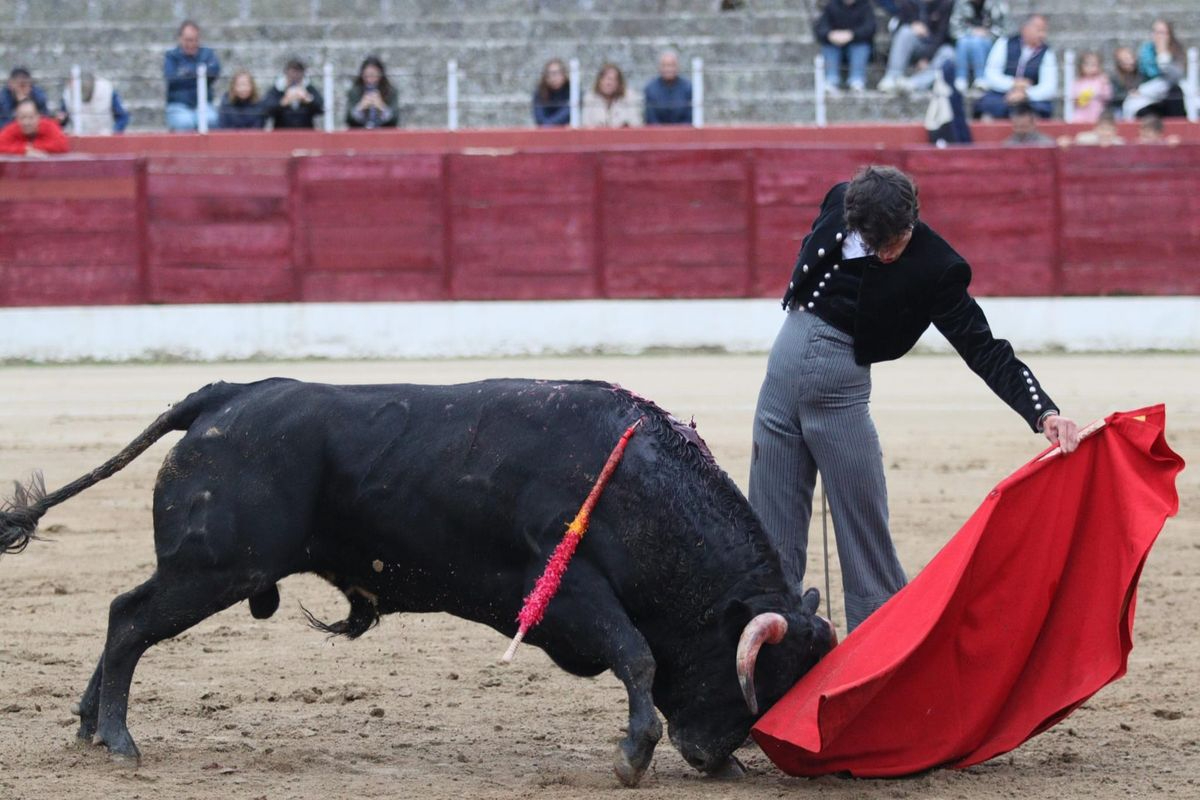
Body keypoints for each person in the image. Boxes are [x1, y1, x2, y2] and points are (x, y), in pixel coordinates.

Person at [750, 165, 1080, 632]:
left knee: (782, 530)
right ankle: (826, 644)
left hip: (814, 368)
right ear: (854, 217)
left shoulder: (935, 265)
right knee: (828, 526)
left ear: (912, 219)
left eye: (895, 241)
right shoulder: (842, 201)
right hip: (798, 371)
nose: (886, 254)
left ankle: (788, 638)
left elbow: (982, 346)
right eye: (875, 242)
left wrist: (1041, 409)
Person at [975, 14, 1058, 119]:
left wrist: (1025, 94)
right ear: (1025, 29)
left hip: (1030, 98)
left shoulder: (1047, 53)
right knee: (987, 105)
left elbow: (1049, 87)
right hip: (1003, 94)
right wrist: (1013, 84)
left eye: (1044, 31)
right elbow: (991, 75)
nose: (1042, 35)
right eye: (1039, 30)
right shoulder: (1005, 43)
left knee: (1039, 109)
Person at [877, 0, 956, 94]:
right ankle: (892, 78)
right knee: (905, 32)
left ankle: (912, 84)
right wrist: (912, 24)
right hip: (915, 47)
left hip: (936, 50)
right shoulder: (909, 3)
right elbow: (897, 27)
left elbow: (942, 36)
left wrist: (927, 58)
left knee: (949, 53)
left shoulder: (945, 4)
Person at [1123, 19, 1187, 120]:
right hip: (1148, 97)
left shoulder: (1176, 52)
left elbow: (1174, 76)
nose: (1159, 36)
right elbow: (1140, 75)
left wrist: (1162, 54)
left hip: (1170, 96)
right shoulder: (1145, 51)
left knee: (1175, 93)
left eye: (1162, 33)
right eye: (1156, 32)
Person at [164, 20, 220, 131]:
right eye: (188, 40)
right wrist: (199, 73)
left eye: (195, 40)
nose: (191, 44)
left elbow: (214, 71)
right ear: (180, 39)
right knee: (185, 123)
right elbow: (172, 78)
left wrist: (187, 73)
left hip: (203, 106)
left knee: (211, 120)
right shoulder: (171, 56)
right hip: (179, 106)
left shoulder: (207, 54)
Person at [814, 0, 876, 95]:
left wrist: (851, 35)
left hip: (857, 45)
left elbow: (870, 28)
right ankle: (831, 80)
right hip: (835, 46)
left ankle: (857, 80)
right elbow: (820, 28)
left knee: (861, 46)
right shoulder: (831, 6)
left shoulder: (865, 6)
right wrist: (831, 35)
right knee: (829, 46)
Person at [950, 0, 1010, 92]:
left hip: (991, 41)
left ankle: (980, 77)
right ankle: (961, 77)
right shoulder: (962, 3)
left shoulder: (997, 3)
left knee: (977, 42)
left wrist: (987, 33)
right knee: (963, 41)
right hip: (967, 40)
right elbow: (954, 29)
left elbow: (1005, 29)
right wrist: (971, 32)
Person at [57, 72, 130, 135]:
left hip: (105, 137)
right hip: (81, 140)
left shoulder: (106, 90)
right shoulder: (68, 95)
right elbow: (62, 119)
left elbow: (122, 117)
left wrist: (114, 132)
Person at [264, 58, 324, 129]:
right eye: (292, 73)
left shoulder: (309, 88)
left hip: (305, 132)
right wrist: (284, 102)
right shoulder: (277, 89)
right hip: (282, 133)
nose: (295, 77)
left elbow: (320, 107)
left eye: (298, 73)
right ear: (286, 74)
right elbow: (266, 109)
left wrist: (307, 99)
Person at [0, 97, 70, 156]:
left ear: (38, 116)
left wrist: (34, 148)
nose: (26, 122)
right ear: (17, 118)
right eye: (22, 117)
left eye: (31, 117)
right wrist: (24, 150)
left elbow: (62, 145)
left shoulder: (49, 126)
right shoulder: (12, 128)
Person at [582, 63, 642, 128]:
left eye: (613, 80)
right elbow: (585, 125)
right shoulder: (590, 98)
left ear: (619, 83)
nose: (609, 83)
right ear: (599, 81)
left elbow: (636, 125)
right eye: (605, 79)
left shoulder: (630, 97)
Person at [347, 55, 399, 129]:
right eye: (367, 75)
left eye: (373, 74)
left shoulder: (390, 92)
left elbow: (395, 118)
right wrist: (360, 107)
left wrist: (381, 107)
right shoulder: (354, 92)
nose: (370, 79)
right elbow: (349, 119)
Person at [643, 50, 692, 125]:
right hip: (657, 134)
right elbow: (651, 118)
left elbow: (690, 117)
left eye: (672, 65)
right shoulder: (650, 88)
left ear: (678, 67)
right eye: (665, 65)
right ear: (659, 67)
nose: (668, 69)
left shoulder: (688, 87)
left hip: (683, 133)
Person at [1069, 51, 1113, 125]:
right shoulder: (1078, 82)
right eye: (1087, 64)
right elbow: (1074, 99)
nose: (1090, 67)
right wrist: (1082, 99)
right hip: (1081, 115)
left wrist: (1105, 84)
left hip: (1097, 114)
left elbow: (1107, 97)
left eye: (1094, 64)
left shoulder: (1101, 80)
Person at [532, 58, 571, 126]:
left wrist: (548, 125)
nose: (554, 77)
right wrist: (547, 126)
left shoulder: (572, 91)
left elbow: (566, 113)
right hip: (545, 132)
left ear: (564, 74)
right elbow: (539, 117)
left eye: (557, 73)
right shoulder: (540, 92)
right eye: (550, 74)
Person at [1058, 108, 1124, 147]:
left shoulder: (1120, 144)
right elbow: (1069, 143)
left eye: (1109, 129)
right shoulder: (1084, 139)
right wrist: (1065, 142)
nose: (1105, 133)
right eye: (1102, 129)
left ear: (1115, 131)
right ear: (1096, 129)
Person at [1109, 46, 1141, 119]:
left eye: (1131, 58)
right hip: (1120, 107)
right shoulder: (1115, 78)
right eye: (1125, 59)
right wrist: (1129, 94)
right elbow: (1114, 96)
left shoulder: (1139, 74)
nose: (1130, 62)